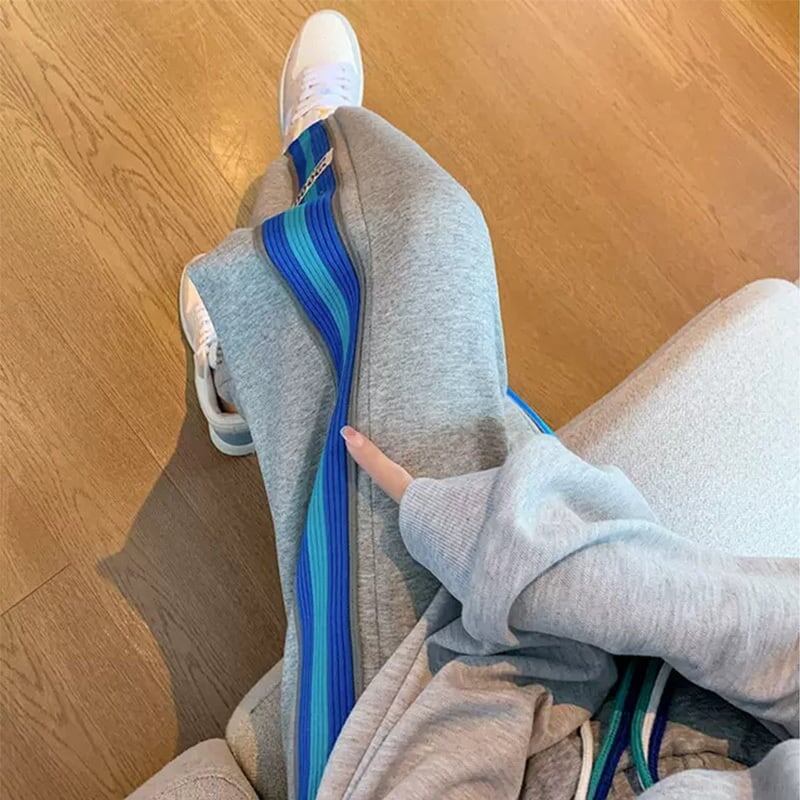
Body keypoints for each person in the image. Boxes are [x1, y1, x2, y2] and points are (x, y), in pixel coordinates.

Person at [179, 10, 799, 800]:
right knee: (451, 373)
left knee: (423, 237)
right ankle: (254, 351)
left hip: (427, 753)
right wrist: (540, 570)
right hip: (635, 678)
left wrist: (499, 586)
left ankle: (302, 209)